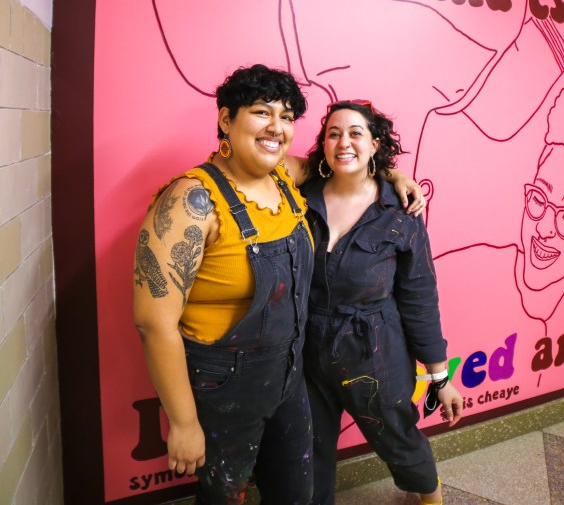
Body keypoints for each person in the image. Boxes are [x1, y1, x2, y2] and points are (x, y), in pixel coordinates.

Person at [132, 65, 424, 504]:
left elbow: (339, 164)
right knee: (225, 496)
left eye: (286, 117)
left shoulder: (283, 175)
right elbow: (153, 323)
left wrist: (393, 176)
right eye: (261, 112)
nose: (277, 127)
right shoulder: (190, 201)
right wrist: (184, 423)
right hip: (223, 388)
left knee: (296, 493)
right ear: (226, 119)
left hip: (289, 377)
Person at [300, 100, 463, 505]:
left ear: (375, 144)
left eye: (355, 133)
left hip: (374, 349)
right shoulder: (299, 199)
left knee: (398, 437)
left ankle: (430, 497)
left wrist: (440, 378)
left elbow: (420, 297)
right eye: (334, 133)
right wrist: (393, 170)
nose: (343, 142)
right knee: (308, 447)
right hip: (307, 348)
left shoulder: (400, 212)